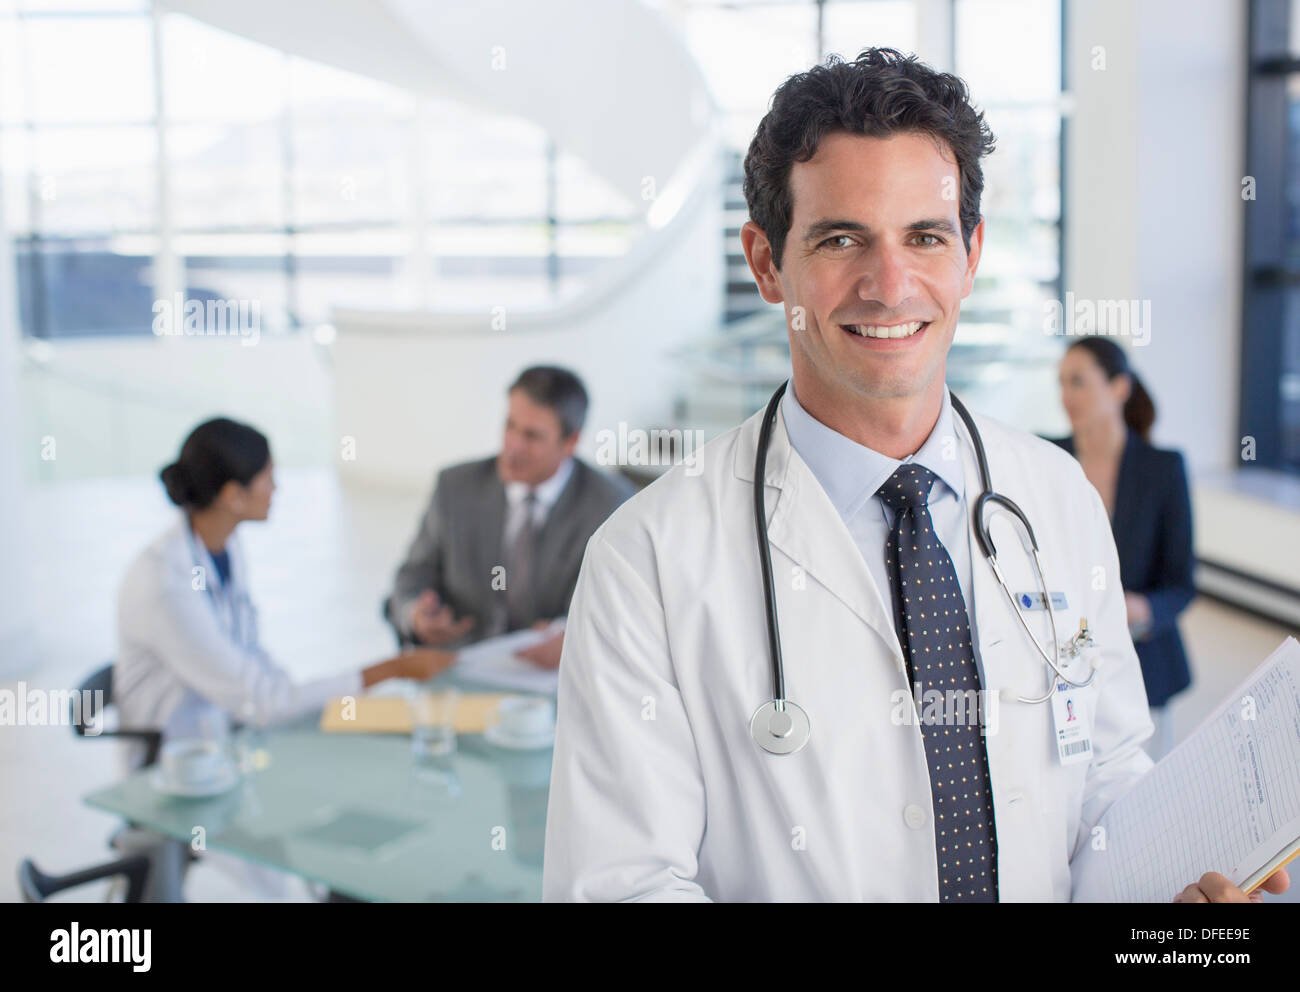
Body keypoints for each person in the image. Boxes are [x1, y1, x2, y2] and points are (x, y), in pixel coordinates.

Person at [542, 48, 1288, 904]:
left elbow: (1106, 779)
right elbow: (622, 885)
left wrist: (1176, 903)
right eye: (841, 238)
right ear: (766, 263)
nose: (889, 286)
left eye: (924, 237)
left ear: (969, 254)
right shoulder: (646, 562)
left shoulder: (1055, 499)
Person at [117, 417, 454, 761]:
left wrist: (295, 699)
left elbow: (250, 655)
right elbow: (260, 701)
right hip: (176, 766)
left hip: (228, 738)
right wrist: (391, 669)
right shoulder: (164, 585)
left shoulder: (222, 546)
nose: (276, 488)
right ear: (233, 495)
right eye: (268, 477)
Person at [384, 366, 634, 669]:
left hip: (554, 678)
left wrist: (576, 638)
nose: (513, 446)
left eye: (532, 436)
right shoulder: (456, 487)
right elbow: (412, 575)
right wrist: (416, 614)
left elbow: (619, 611)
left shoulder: (612, 505)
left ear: (570, 442)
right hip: (461, 666)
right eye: (510, 426)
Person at [1050, 336, 1195, 762]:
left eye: (1078, 382)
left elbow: (1180, 584)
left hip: (1143, 657)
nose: (1065, 396)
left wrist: (1140, 608)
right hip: (1061, 655)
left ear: (1119, 387)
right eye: (1060, 383)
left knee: (1141, 787)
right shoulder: (1049, 460)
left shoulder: (1163, 468)